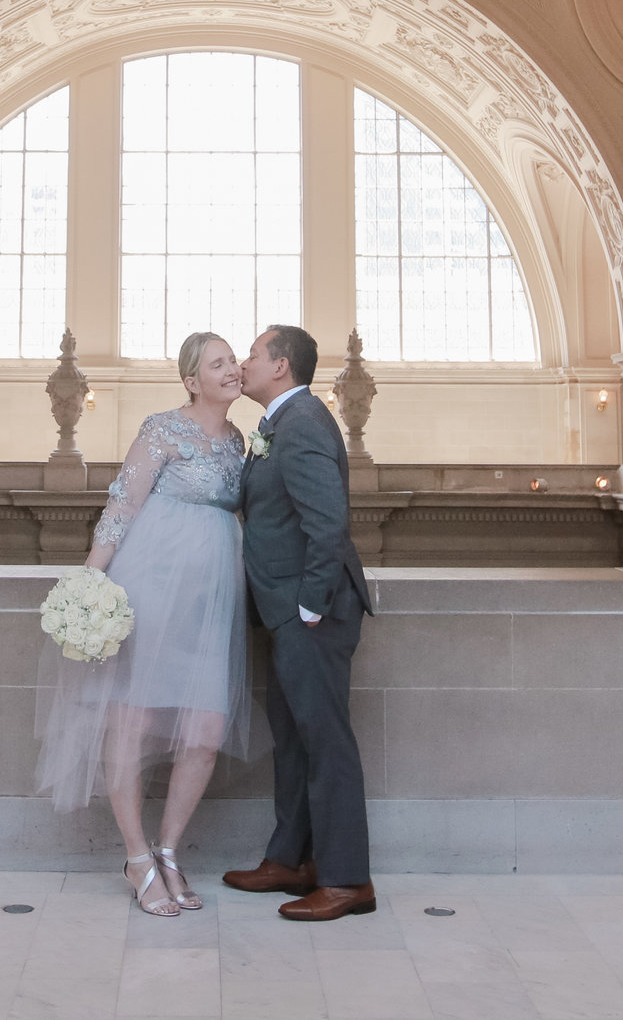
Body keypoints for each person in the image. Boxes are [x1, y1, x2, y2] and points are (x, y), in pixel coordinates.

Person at [36, 332, 252, 916]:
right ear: (191, 381)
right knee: (131, 721)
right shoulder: (162, 428)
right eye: (219, 362)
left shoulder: (242, 441)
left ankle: (170, 850)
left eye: (234, 359)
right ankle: (137, 858)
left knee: (205, 731)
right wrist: (88, 584)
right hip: (152, 589)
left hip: (213, 603)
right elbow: (121, 508)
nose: (233, 368)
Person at [223, 324, 376, 921]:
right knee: (294, 741)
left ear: (281, 366)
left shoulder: (305, 421)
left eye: (255, 354)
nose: (245, 361)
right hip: (285, 611)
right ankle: (292, 859)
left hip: (311, 614)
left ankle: (346, 879)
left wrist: (309, 604)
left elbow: (327, 520)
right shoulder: (276, 424)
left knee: (325, 742)